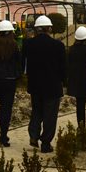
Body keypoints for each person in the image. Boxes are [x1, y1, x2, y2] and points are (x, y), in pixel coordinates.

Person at [23, 15, 65, 153]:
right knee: (50, 116)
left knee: (37, 111)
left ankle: (33, 135)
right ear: (49, 28)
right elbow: (63, 67)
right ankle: (46, 143)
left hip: (35, 85)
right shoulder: (58, 45)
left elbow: (24, 64)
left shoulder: (28, 44)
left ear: (36, 29)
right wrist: (64, 82)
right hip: (52, 86)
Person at [0, 20, 22, 147]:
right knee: (6, 108)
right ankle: (3, 136)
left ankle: (3, 135)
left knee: (2, 107)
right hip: (10, 80)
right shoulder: (14, 46)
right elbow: (19, 63)